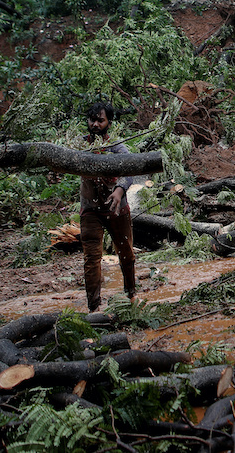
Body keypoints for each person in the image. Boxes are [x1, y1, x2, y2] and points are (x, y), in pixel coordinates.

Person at [80, 101, 135, 312]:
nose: (95, 124)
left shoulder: (117, 147)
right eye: (92, 119)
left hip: (116, 208)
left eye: (100, 120)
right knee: (91, 258)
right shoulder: (79, 146)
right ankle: (93, 307)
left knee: (126, 253)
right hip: (90, 210)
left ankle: (131, 295)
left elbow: (131, 168)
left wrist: (120, 190)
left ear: (108, 123)